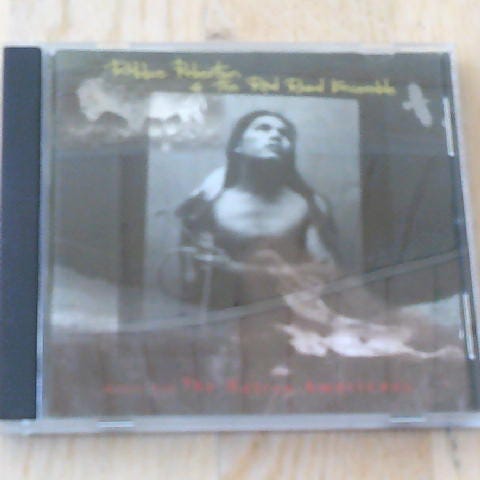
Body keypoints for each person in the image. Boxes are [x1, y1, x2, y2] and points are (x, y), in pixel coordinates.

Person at [175, 110, 339, 310]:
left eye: (285, 134)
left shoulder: (309, 206)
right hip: (225, 313)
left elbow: (327, 272)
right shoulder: (208, 205)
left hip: (292, 313)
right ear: (238, 145)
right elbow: (193, 280)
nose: (276, 135)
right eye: (263, 128)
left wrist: (235, 268)